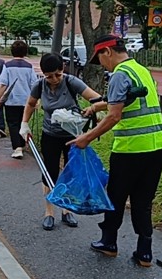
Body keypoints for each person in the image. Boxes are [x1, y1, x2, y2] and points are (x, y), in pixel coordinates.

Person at [68, 35, 162, 267]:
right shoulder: (141, 70)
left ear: (108, 52)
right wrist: (97, 105)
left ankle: (109, 242)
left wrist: (86, 138)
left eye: (100, 58)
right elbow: (128, 100)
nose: (101, 64)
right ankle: (145, 253)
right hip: (157, 147)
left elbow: (115, 115)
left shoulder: (119, 74)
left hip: (130, 150)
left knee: (115, 196)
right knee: (143, 201)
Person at [21, 52, 103, 231]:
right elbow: (30, 104)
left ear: (62, 69)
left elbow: (98, 99)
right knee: (49, 172)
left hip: (72, 136)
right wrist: (24, 124)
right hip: (50, 134)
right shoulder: (40, 85)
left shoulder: (71, 82)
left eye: (57, 74)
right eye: (49, 76)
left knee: (70, 171)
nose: (54, 79)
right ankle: (49, 212)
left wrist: (93, 108)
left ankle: (66, 210)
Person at [0, 40, 38, 159]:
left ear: (12, 52)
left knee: (13, 124)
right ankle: (22, 144)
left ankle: (17, 148)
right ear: (25, 52)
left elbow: (3, 83)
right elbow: (34, 84)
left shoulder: (7, 66)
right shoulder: (29, 67)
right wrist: (36, 101)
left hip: (11, 100)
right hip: (27, 101)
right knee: (23, 122)